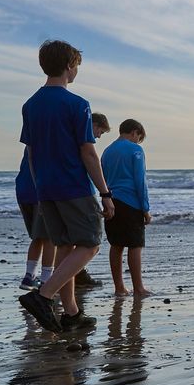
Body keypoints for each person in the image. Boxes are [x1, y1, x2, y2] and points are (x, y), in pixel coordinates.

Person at [17, 40, 115, 333]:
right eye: (76, 66)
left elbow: (31, 153)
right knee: (91, 244)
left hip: (45, 187)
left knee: (64, 246)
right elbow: (88, 151)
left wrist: (40, 186)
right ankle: (43, 296)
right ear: (70, 66)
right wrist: (105, 193)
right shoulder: (77, 104)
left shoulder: (30, 104)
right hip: (73, 185)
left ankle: (71, 313)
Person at [101, 119, 152, 296]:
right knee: (135, 245)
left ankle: (119, 287)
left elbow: (103, 180)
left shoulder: (107, 152)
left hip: (111, 200)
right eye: (139, 137)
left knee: (116, 245)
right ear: (135, 132)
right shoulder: (135, 150)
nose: (138, 141)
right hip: (130, 202)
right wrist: (145, 208)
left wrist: (104, 200)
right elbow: (140, 180)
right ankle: (139, 288)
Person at [74, 112, 111, 288]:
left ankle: (57, 284)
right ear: (94, 124)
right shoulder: (83, 139)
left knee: (65, 242)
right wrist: (105, 194)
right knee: (91, 241)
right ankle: (50, 289)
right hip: (78, 192)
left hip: (52, 190)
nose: (97, 136)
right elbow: (90, 157)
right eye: (100, 131)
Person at [15, 150, 53, 290]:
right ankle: (46, 280)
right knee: (49, 238)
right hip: (40, 191)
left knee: (38, 237)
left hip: (23, 190)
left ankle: (29, 276)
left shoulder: (32, 139)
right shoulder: (50, 139)